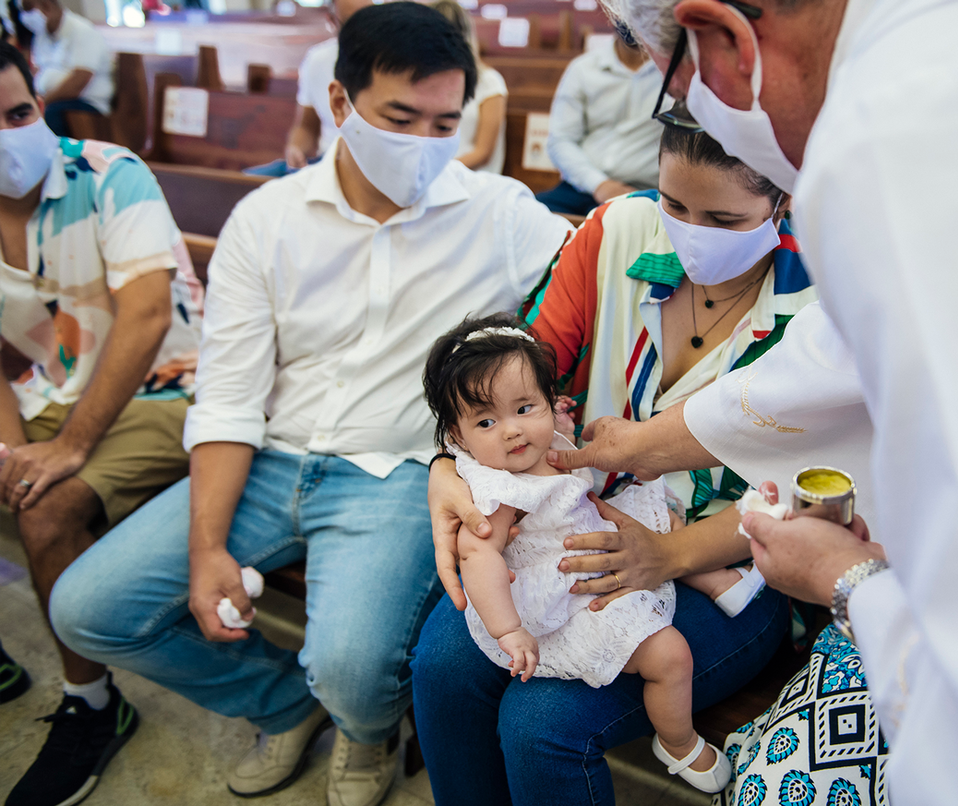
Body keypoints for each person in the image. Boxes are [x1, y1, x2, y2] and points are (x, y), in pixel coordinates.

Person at [554, 0, 958, 802]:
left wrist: (851, 582)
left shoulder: (884, 132)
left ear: (723, 39)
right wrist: (638, 446)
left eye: (680, 88)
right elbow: (828, 369)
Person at [48, 5, 572, 806]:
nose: (425, 145)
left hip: (395, 473)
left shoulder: (499, 215)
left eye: (445, 122)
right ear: (340, 104)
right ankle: (285, 706)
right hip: (269, 456)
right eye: (400, 118)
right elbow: (227, 398)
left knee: (353, 666)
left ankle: (362, 727)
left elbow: (599, 271)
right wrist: (206, 547)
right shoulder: (268, 217)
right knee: (86, 609)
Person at [414, 124, 872, 805]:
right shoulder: (618, 234)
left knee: (540, 723)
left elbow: (827, 495)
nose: (689, 235)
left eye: (723, 219)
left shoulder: (824, 300)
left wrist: (667, 554)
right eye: (674, 204)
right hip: (565, 531)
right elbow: (497, 385)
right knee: (444, 664)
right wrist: (446, 471)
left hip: (739, 559)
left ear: (782, 199)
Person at [0, 40, 202, 806]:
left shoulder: (110, 173)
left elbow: (147, 314)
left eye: (20, 113)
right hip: (44, 390)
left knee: (48, 508)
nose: (13, 135)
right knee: (24, 480)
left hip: (161, 387)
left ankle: (91, 704)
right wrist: (17, 451)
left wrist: (69, 447)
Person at [424, 313, 739, 793]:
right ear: (457, 437)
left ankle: (708, 574)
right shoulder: (498, 490)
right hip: (568, 592)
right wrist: (509, 630)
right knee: (670, 656)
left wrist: (557, 420)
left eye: (525, 408)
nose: (511, 431)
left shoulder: (543, 435)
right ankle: (677, 742)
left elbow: (548, 428)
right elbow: (478, 557)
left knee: (660, 511)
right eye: (486, 421)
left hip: (597, 532)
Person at [535, 21, 662, 216]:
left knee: (621, 226)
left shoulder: (674, 73)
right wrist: (599, 184)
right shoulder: (583, 68)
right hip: (582, 186)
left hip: (643, 191)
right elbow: (560, 140)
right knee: (531, 212)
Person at [244, 0, 375, 177]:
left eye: (368, 21)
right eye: (350, 24)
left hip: (367, 166)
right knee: (246, 182)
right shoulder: (317, 60)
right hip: (324, 161)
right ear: (332, 21)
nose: (360, 32)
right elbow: (306, 126)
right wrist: (296, 148)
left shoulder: (391, 64)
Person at [431, 0, 508, 174]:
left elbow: (483, 152)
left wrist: (440, 171)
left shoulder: (489, 81)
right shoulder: (425, 81)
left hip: (470, 177)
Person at [17, 0, 112, 136]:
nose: (25, 16)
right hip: (51, 101)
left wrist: (42, 102)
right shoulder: (42, 36)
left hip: (86, 105)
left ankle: (59, 156)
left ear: (46, 6)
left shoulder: (82, 31)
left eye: (28, 9)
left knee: (49, 113)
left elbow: (79, 81)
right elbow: (36, 72)